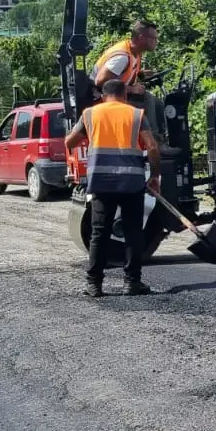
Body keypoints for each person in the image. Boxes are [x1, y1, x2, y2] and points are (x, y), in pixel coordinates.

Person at [64, 79, 162, 297]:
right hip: (132, 182)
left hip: (101, 181)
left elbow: (69, 142)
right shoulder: (136, 114)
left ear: (103, 95)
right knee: (133, 232)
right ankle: (131, 283)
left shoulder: (90, 114)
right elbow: (153, 147)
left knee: (99, 232)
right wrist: (154, 175)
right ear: (124, 95)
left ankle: (94, 284)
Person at [92, 20, 165, 143]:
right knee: (147, 99)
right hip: (102, 98)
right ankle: (155, 143)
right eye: (153, 38)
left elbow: (122, 74)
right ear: (142, 38)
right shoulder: (122, 57)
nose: (156, 41)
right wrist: (131, 89)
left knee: (159, 104)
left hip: (119, 94)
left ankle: (162, 139)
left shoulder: (135, 52)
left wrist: (140, 74)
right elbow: (100, 81)